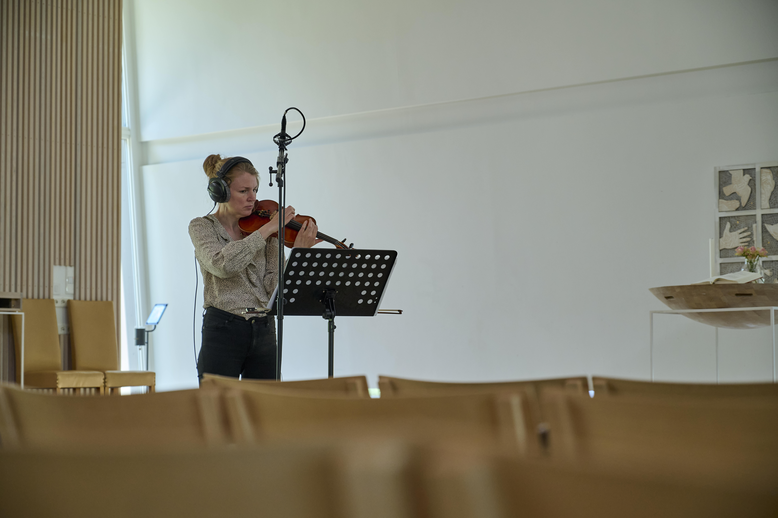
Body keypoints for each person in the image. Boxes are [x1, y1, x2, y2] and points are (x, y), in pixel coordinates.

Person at [188, 154, 319, 380]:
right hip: (223, 329)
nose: (253, 198)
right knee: (218, 401)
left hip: (264, 329)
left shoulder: (268, 229)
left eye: (255, 190)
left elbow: (273, 287)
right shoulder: (202, 227)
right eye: (244, 191)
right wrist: (267, 229)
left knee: (265, 400)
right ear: (221, 192)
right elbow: (223, 265)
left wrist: (298, 255)